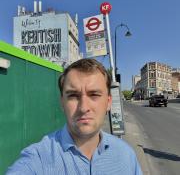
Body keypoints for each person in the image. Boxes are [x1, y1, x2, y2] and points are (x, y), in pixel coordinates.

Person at [6, 58, 142, 175]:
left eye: (94, 94)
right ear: (62, 103)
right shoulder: (38, 158)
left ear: (108, 102)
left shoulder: (126, 155)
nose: (83, 107)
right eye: (73, 96)